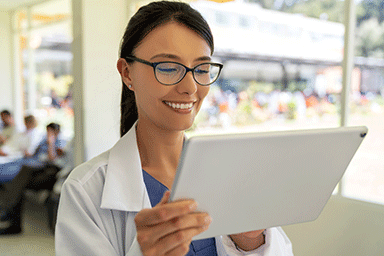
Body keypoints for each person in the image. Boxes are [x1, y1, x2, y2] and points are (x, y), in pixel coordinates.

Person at [55, 1, 293, 255]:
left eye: (201, 69)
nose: (190, 87)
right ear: (127, 73)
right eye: (168, 68)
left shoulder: (227, 171)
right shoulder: (85, 190)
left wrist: (250, 242)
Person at [0, 122, 66, 234]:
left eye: (51, 131)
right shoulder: (43, 140)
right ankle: (10, 218)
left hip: (49, 172)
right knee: (19, 183)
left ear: (57, 132)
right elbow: (34, 154)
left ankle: (8, 213)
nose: (48, 134)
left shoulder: (61, 141)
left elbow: (53, 159)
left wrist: (51, 143)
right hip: (35, 169)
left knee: (20, 180)